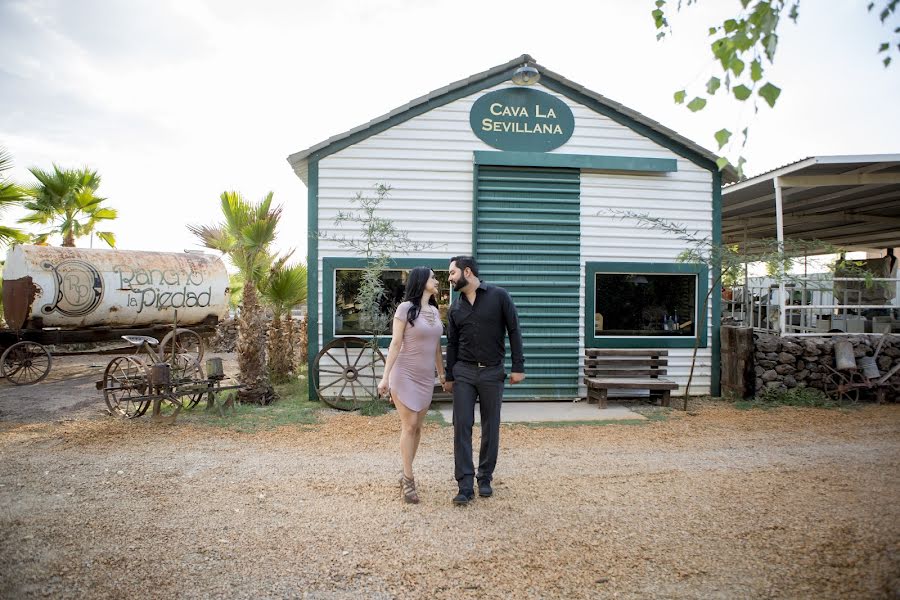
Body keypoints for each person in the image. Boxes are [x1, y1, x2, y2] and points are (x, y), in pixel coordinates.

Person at [442, 255, 525, 506]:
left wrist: (518, 367)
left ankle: (485, 477)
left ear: (467, 272)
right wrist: (449, 376)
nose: (449, 278)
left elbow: (514, 330)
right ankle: (465, 484)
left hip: (492, 372)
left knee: (491, 426)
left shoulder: (499, 296)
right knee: (462, 426)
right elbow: (452, 344)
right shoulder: (455, 308)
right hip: (464, 372)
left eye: (452, 273)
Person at [378, 267, 445, 504]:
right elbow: (395, 344)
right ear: (421, 281)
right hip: (404, 373)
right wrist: (385, 377)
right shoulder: (405, 309)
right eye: (433, 278)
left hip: (426, 377)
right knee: (410, 425)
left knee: (418, 427)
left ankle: (406, 471)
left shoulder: (435, 312)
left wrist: (442, 374)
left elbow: (436, 346)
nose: (437, 281)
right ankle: (408, 478)